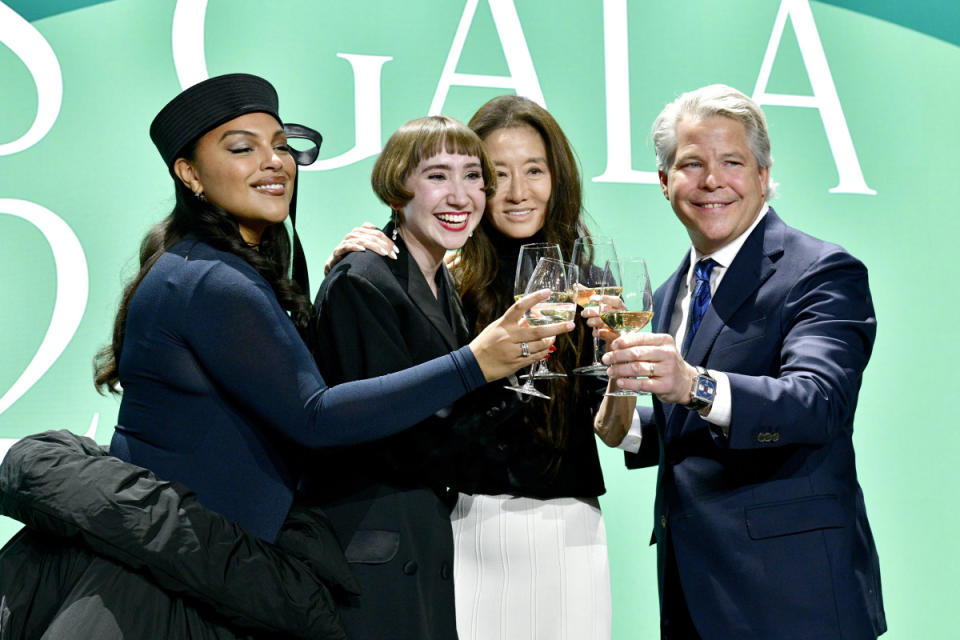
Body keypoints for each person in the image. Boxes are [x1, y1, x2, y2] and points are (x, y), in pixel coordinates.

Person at [0, 74, 565, 639]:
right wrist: (474, 362)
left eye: (280, 144)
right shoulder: (210, 280)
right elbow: (313, 416)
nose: (273, 162)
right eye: (242, 148)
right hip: (161, 589)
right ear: (190, 173)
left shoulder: (227, 270)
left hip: (203, 567)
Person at [591, 84, 886, 639]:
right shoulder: (676, 285)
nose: (711, 182)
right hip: (695, 595)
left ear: (763, 174)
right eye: (692, 164)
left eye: (732, 162)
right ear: (663, 182)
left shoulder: (822, 271)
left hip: (794, 598)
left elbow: (817, 403)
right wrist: (622, 412)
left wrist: (693, 384)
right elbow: (689, 424)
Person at [324, 95, 612, 639]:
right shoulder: (438, 273)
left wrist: (623, 371)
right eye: (498, 174)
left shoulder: (588, 284)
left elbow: (612, 422)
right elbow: (377, 405)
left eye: (535, 170)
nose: (518, 190)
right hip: (459, 522)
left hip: (568, 526)